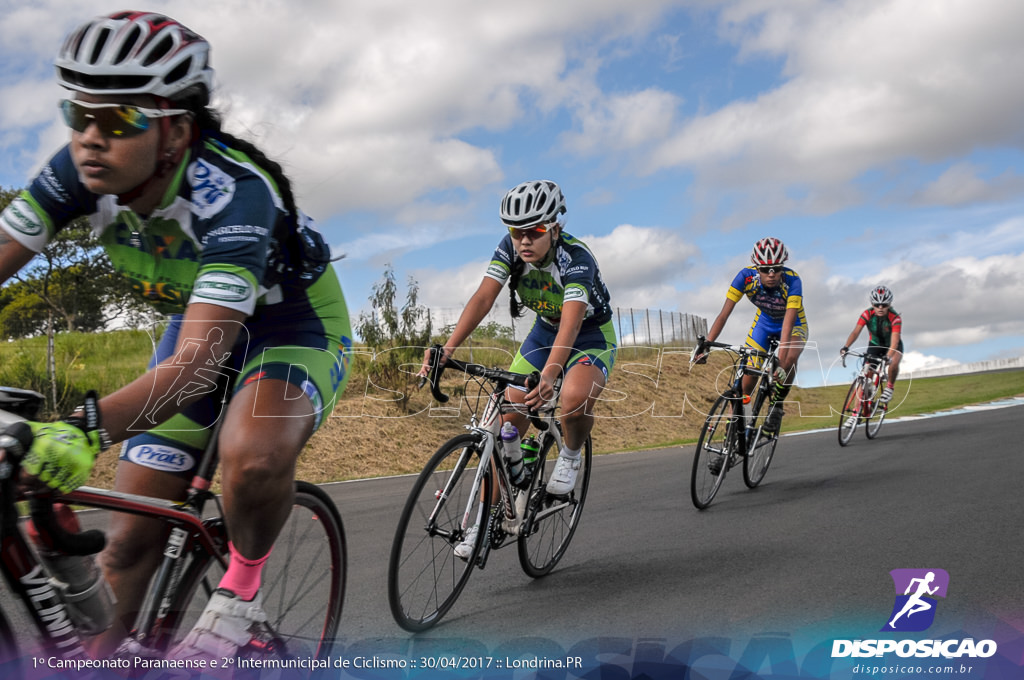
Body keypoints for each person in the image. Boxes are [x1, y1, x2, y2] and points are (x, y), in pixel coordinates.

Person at [0, 11, 352, 659]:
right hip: (199, 327)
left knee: (252, 457)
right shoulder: (79, 169)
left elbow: (196, 367)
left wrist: (83, 426)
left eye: (120, 119)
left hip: (289, 330)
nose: (90, 138)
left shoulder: (238, 194)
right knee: (128, 543)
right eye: (77, 114)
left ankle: (241, 596)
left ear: (176, 131)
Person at [419, 179, 616, 559]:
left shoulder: (576, 258)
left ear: (554, 227)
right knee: (507, 419)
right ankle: (484, 520)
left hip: (590, 336)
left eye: (535, 231)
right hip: (544, 332)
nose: (524, 240)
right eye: (516, 231)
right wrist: (448, 348)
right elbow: (483, 297)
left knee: (573, 398)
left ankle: (571, 455)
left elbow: (572, 325)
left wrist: (550, 374)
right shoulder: (509, 249)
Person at [696, 237, 808, 436]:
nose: (771, 274)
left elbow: (788, 324)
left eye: (776, 268)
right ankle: (733, 433)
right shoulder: (745, 277)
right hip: (764, 324)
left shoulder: (793, 281)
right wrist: (707, 345)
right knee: (745, 384)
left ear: (783, 267)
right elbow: (724, 314)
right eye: (765, 270)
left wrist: (781, 363)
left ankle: (776, 405)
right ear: (757, 268)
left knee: (790, 358)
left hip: (793, 324)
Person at [840, 285, 903, 403]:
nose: (880, 308)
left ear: (889, 305)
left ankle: (890, 387)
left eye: (884, 305)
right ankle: (856, 413)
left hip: (892, 346)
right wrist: (846, 347)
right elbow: (855, 332)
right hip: (875, 345)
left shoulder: (895, 318)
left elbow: (895, 342)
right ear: (872, 304)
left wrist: (888, 356)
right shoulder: (867, 314)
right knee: (864, 378)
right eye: (876, 305)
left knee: (894, 363)